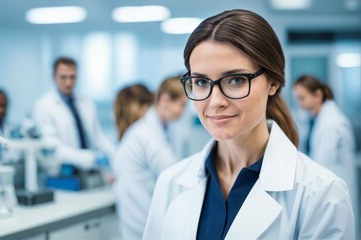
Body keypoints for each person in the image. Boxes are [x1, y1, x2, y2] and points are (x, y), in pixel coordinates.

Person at [143, 9, 354, 240]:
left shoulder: (321, 194)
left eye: (235, 80)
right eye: (201, 82)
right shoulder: (171, 183)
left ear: (273, 82)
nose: (215, 102)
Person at [112, 76, 187, 240]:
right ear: (165, 100)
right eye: (182, 105)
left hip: (140, 218)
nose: (183, 111)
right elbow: (173, 176)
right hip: (141, 221)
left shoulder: (156, 130)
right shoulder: (148, 134)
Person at [294, 75, 357, 224]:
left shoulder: (331, 123)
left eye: (302, 98)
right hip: (332, 188)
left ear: (317, 95)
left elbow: (322, 163)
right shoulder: (318, 119)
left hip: (336, 188)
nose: (299, 104)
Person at [33, 57, 115, 170]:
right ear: (54, 77)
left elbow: (98, 136)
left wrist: (115, 154)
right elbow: (53, 146)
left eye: (72, 77)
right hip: (64, 170)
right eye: (63, 77)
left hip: (91, 169)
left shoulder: (86, 102)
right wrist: (91, 158)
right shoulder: (44, 106)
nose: (68, 82)